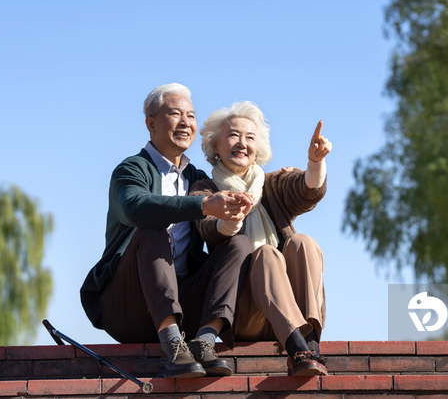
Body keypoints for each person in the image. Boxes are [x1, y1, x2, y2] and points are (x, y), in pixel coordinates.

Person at [80, 84, 254, 379]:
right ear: (151, 123)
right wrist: (202, 205)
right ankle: (172, 343)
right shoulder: (131, 170)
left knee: (239, 244)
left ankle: (204, 342)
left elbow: (240, 172)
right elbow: (135, 207)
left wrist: (286, 175)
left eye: (191, 115)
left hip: (184, 302)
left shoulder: (198, 178)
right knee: (152, 230)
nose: (186, 122)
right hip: (129, 306)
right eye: (175, 114)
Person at [189, 101, 332, 377]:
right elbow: (206, 228)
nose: (242, 143)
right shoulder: (206, 189)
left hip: (292, 309)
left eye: (249, 137)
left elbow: (306, 191)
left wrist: (315, 162)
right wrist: (230, 218)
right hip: (246, 312)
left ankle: (310, 343)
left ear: (258, 148)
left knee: (303, 242)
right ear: (215, 146)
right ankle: (297, 350)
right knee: (266, 255)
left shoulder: (271, 185)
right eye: (233, 135)